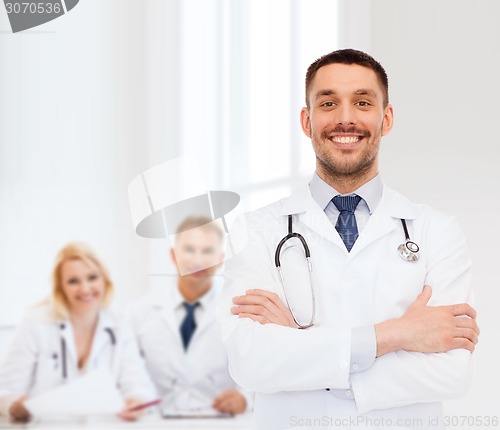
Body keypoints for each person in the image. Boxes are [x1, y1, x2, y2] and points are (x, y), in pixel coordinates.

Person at [217, 49, 479, 430]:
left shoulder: (437, 231)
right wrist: (398, 334)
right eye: (328, 103)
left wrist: (304, 351)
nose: (345, 118)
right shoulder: (256, 230)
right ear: (307, 121)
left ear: (385, 119)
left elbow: (453, 371)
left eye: (362, 102)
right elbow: (250, 362)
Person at [0, 242, 156, 422]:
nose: (85, 289)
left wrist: (136, 400)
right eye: (73, 281)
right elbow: (5, 390)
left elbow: (138, 384)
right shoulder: (35, 324)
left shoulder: (119, 325)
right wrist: (14, 405)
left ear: (104, 279)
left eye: (92, 277)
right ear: (61, 287)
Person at [127, 216, 251, 416]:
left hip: (218, 423)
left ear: (221, 259)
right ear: (173, 255)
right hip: (155, 422)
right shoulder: (137, 313)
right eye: (189, 249)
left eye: (207, 251)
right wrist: (135, 397)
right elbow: (129, 372)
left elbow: (256, 372)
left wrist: (245, 398)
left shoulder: (238, 312)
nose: (198, 260)